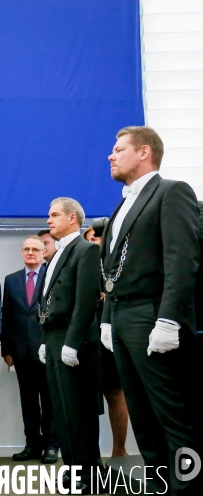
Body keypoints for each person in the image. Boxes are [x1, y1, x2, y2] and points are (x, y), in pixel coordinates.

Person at [100, 126, 201, 495]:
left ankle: (190, 489)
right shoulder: (122, 203)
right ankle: (162, 487)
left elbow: (182, 260)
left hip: (153, 315)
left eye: (118, 148)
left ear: (144, 152)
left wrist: (169, 318)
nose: (111, 155)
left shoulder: (171, 192)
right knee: (143, 417)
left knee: (175, 419)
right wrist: (109, 319)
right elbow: (113, 270)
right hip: (124, 319)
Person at [39, 197, 102, 493]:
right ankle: (73, 468)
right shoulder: (56, 254)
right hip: (53, 338)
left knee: (79, 412)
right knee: (61, 411)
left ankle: (90, 474)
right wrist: (44, 340)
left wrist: (72, 342)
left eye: (54, 215)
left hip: (72, 340)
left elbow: (85, 300)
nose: (49, 220)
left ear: (72, 218)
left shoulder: (85, 250)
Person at [1, 235, 59, 464]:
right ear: (22, 253)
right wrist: (7, 349)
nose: (31, 253)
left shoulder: (52, 277)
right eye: (26, 249)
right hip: (21, 351)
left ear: (44, 252)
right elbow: (7, 317)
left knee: (50, 400)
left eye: (35, 249)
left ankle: (52, 446)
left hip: (47, 349)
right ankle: (32, 445)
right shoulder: (12, 280)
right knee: (28, 401)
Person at [83, 225, 129, 459]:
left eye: (98, 237)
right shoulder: (81, 266)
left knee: (115, 393)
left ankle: (119, 451)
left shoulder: (119, 264)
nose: (95, 241)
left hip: (111, 336)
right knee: (84, 398)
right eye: (90, 238)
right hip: (83, 338)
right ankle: (89, 456)